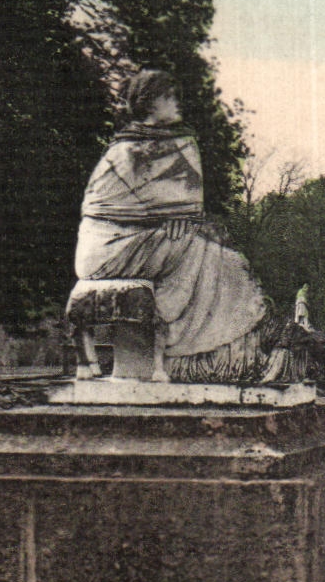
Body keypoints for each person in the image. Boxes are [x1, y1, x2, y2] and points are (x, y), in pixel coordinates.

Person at [71, 69, 294, 383]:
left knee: (213, 249)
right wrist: (171, 217)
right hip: (107, 247)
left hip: (140, 239)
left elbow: (187, 203)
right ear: (150, 103)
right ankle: (190, 356)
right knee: (218, 256)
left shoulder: (167, 143)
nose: (177, 103)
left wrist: (179, 217)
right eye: (169, 97)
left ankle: (208, 355)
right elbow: (100, 207)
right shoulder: (126, 150)